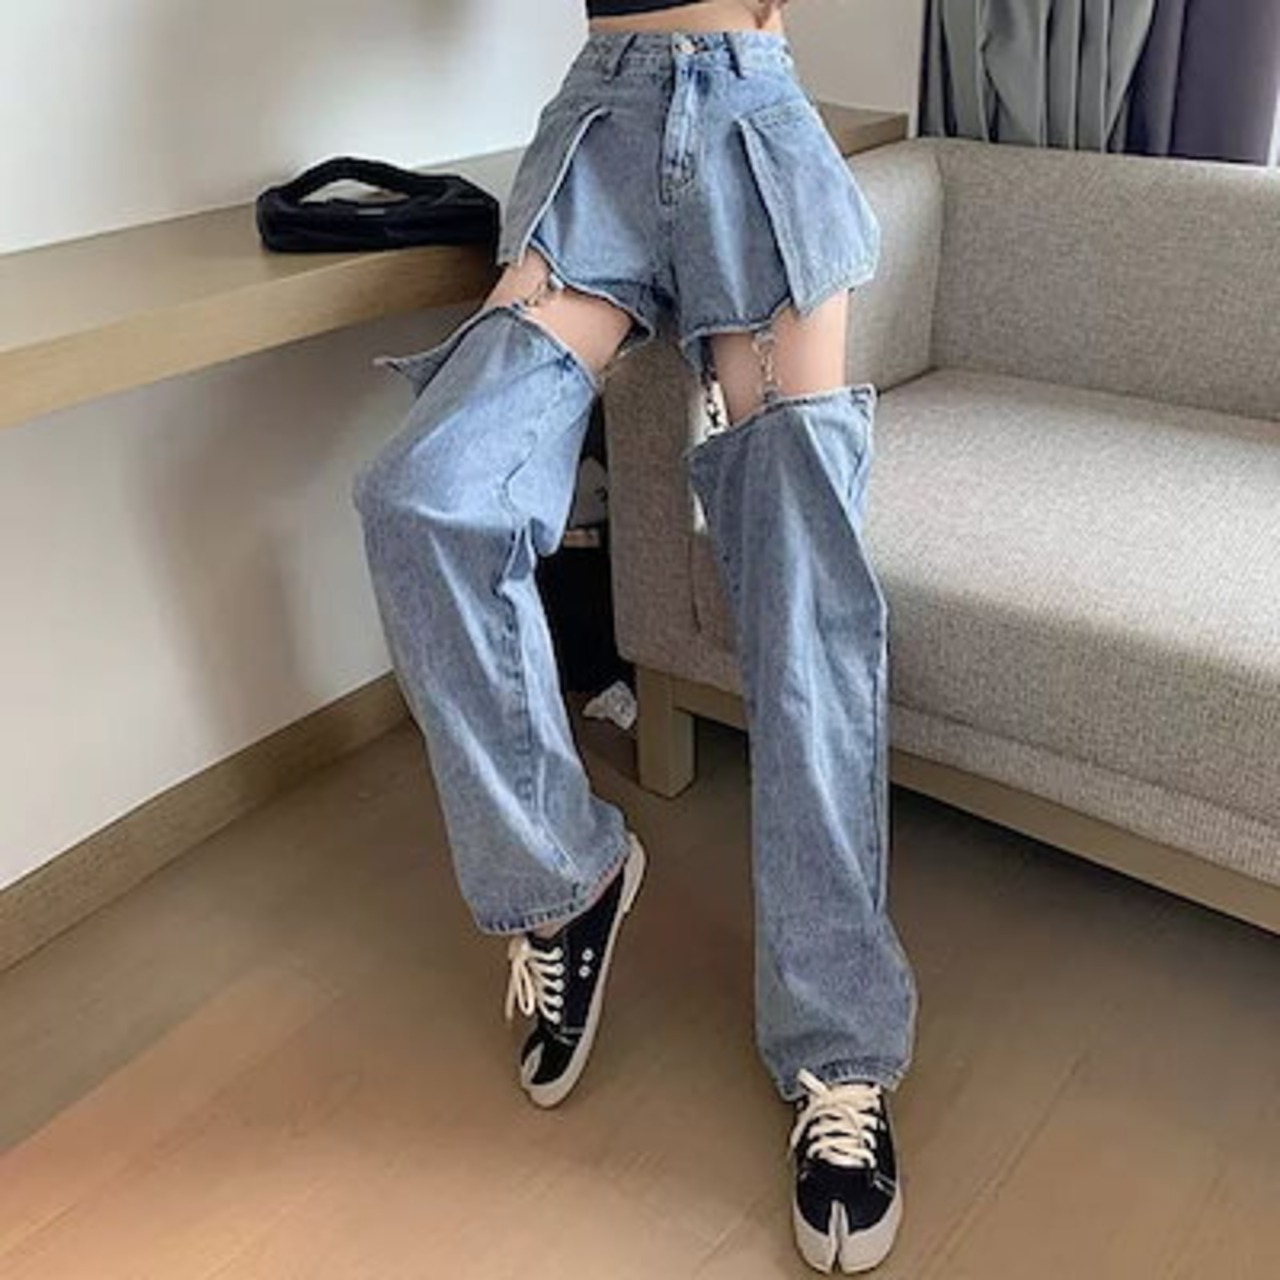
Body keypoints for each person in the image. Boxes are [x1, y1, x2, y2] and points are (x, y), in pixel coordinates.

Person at [352, 0, 919, 1271]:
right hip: (598, 133)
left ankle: (838, 1048)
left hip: (749, 119)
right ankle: (568, 882)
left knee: (802, 594)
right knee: (424, 498)